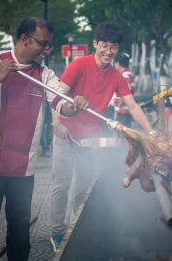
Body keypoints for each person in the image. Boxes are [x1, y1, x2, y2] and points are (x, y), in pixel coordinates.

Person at [0, 17, 88, 261]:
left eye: (50, 45)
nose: (47, 50)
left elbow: (60, 102)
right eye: (44, 44)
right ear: (24, 39)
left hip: (23, 168)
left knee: (20, 231)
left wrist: (75, 106)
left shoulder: (44, 73)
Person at [50, 21, 157, 253]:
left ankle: (78, 230)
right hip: (65, 135)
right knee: (62, 184)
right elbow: (56, 96)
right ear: (95, 44)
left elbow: (133, 106)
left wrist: (151, 132)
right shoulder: (79, 65)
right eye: (105, 45)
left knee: (83, 187)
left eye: (114, 47)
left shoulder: (117, 76)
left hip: (91, 138)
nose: (109, 51)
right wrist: (57, 124)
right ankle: (57, 232)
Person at [113, 52, 135, 127]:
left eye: (114, 63)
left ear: (117, 63)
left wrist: (119, 103)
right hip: (125, 111)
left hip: (123, 112)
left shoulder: (125, 76)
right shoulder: (129, 74)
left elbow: (126, 93)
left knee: (122, 136)